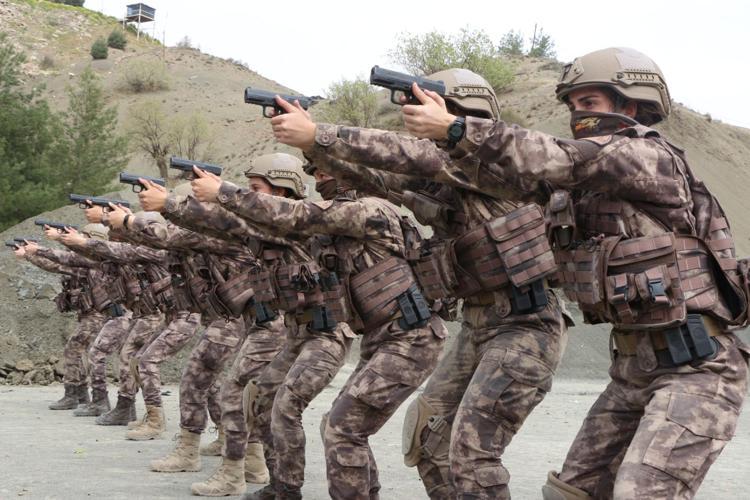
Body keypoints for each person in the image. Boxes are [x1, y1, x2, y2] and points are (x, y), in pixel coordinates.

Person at [400, 46, 750, 500]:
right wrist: (325, 141)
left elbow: (560, 156)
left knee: (639, 492)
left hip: (698, 369)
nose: (578, 114)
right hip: (633, 369)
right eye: (572, 105)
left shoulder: (646, 156)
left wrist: (457, 127)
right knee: (571, 493)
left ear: (630, 105)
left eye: (590, 102)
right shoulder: (580, 192)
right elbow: (488, 171)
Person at [270, 67, 569, 499]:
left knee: (471, 454)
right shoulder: (443, 184)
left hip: (527, 325)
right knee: (428, 442)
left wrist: (320, 134)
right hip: (479, 326)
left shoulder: (494, 165)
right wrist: (312, 146)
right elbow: (373, 176)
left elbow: (405, 155)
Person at [191, 155, 447, 500]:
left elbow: (299, 215)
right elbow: (238, 226)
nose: (320, 178)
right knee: (319, 417)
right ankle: (284, 487)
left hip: (401, 337)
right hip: (374, 338)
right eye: (316, 172)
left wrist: (224, 192)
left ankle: (289, 488)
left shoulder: (369, 211)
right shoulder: (328, 229)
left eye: (328, 171)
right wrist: (178, 207)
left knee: (341, 426)